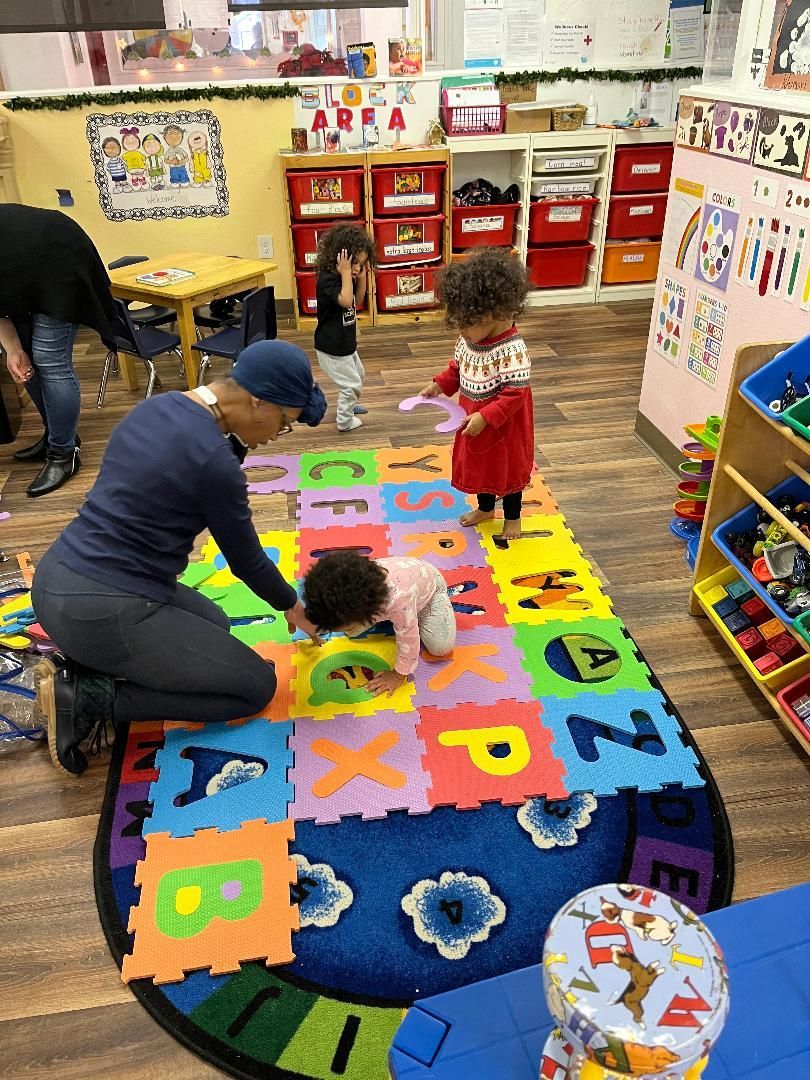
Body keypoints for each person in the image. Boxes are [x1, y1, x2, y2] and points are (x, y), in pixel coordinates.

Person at [33, 340, 327, 777]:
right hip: (103, 609)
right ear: (257, 401)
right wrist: (291, 603)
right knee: (255, 687)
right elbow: (246, 559)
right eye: (283, 424)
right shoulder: (213, 461)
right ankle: (88, 699)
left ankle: (86, 659)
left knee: (217, 623)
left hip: (58, 579)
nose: (273, 438)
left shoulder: (161, 407)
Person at [0, 204, 119, 497]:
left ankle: (64, 454)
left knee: (48, 360)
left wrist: (12, 347)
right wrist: (13, 350)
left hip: (58, 258)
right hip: (21, 270)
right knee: (25, 360)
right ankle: (57, 435)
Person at [420, 248, 534, 541]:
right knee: (482, 468)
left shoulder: (511, 349)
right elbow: (457, 368)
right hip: (475, 420)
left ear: (495, 312)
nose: (462, 331)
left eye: (467, 323)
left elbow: (515, 392)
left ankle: (512, 517)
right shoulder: (469, 339)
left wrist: (487, 416)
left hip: (505, 428)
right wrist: (439, 385)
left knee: (507, 472)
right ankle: (485, 508)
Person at [302, 551, 456, 697]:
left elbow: (409, 640)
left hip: (430, 587)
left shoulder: (400, 602)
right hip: (401, 575)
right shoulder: (355, 578)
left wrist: (397, 676)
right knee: (352, 632)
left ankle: (434, 604)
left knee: (441, 648)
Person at [314, 222, 376, 432]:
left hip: (346, 344)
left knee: (358, 376)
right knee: (350, 384)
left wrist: (362, 278)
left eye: (362, 264)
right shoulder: (327, 280)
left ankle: (348, 404)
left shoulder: (348, 277)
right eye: (355, 263)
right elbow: (346, 301)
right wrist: (345, 274)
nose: (357, 268)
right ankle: (344, 421)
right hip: (331, 348)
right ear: (340, 258)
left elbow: (357, 301)